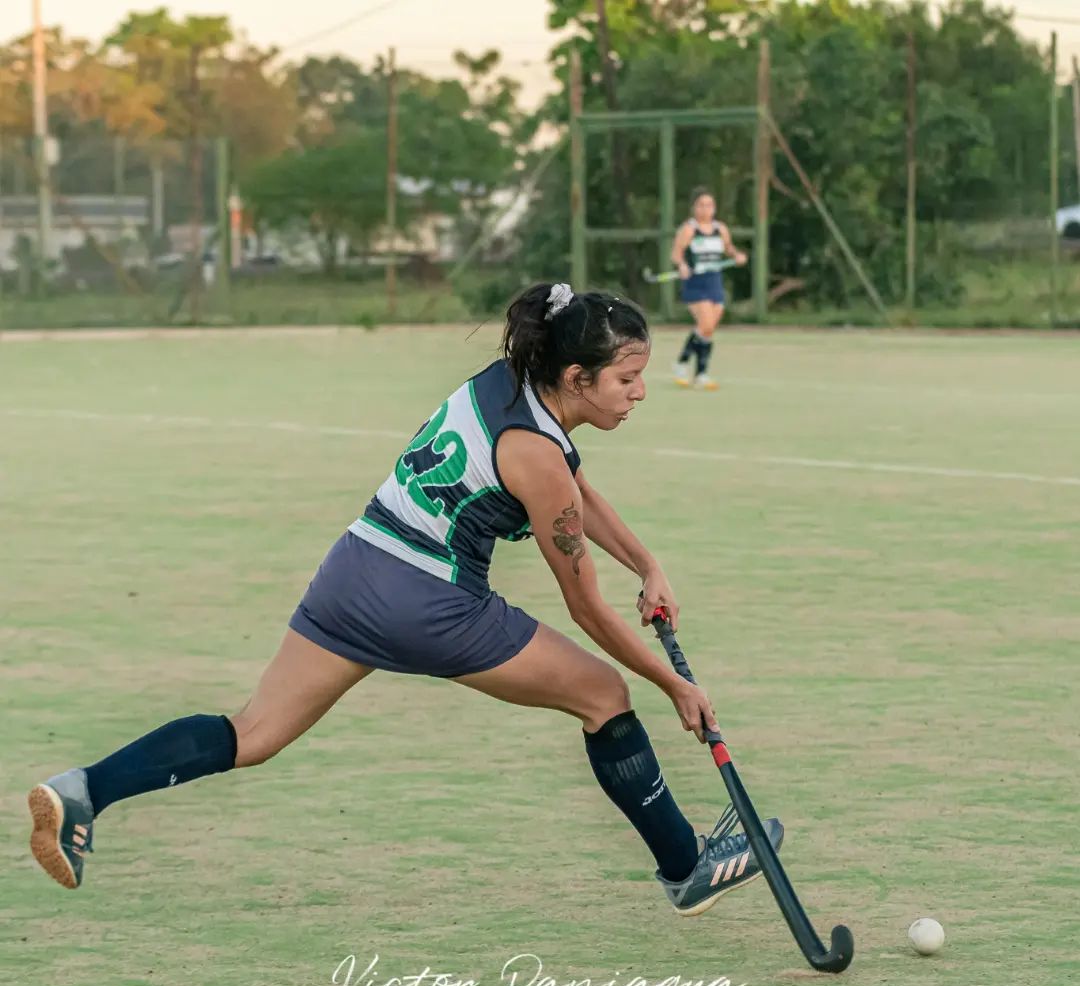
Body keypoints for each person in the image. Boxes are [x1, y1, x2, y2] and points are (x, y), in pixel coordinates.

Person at [28, 282, 782, 917]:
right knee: (604, 694)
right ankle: (687, 867)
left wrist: (646, 563)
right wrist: (672, 684)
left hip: (354, 570)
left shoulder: (510, 384)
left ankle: (83, 791)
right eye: (626, 378)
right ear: (578, 378)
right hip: (431, 604)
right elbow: (584, 605)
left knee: (252, 732)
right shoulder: (536, 454)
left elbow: (574, 488)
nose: (640, 392)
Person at [670, 186, 748, 390]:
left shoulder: (720, 229)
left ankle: (685, 363)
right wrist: (682, 266)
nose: (706, 209)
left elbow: (728, 248)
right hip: (696, 283)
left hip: (715, 281)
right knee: (705, 325)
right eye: (702, 205)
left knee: (708, 329)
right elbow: (676, 254)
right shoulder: (688, 229)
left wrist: (736, 256)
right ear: (694, 207)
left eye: (710, 205)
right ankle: (698, 372)